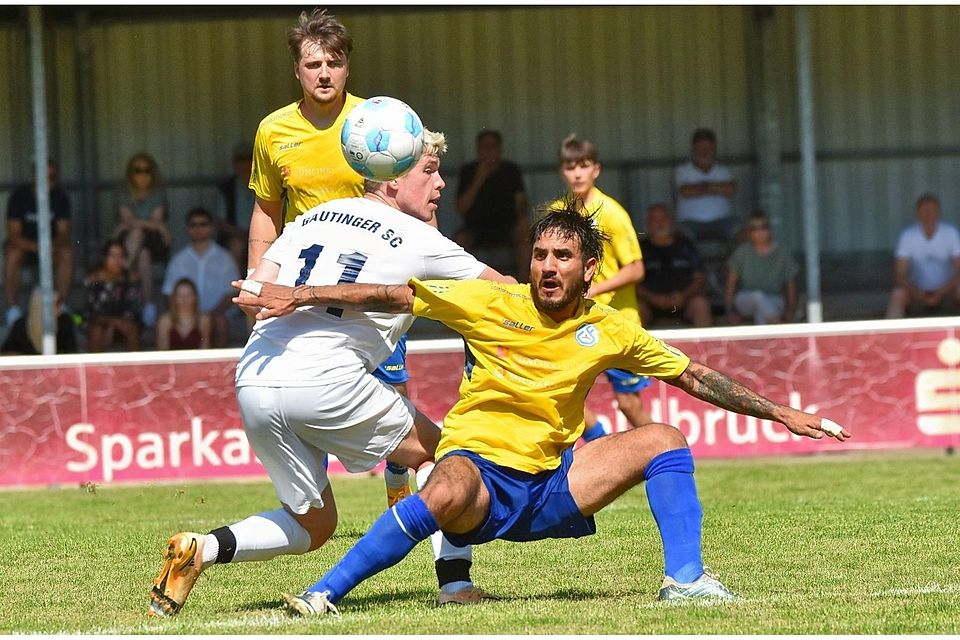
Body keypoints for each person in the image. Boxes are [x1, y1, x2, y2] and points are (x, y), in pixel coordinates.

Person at [232, 204, 851, 616]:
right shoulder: (488, 302)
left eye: (562, 258)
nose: (547, 268)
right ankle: (323, 594)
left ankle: (685, 582)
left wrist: (782, 413)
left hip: (552, 485)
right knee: (446, 479)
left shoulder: (609, 329)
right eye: (540, 256)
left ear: (588, 270)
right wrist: (300, 293)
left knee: (662, 438)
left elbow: (693, 374)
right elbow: (391, 291)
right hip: (478, 482)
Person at [148, 128, 514, 618]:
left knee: (314, 526)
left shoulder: (313, 216)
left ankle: (202, 548)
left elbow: (255, 293)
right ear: (390, 178)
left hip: (255, 377)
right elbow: (506, 291)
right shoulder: (423, 239)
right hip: (325, 379)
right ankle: (456, 584)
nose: (441, 184)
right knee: (447, 458)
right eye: (428, 171)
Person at [241, 9, 420, 512]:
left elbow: (411, 197)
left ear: (347, 67)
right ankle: (314, 512)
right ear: (297, 70)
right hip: (303, 286)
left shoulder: (377, 123)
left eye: (334, 63)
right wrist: (259, 279)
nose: (324, 73)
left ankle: (400, 487)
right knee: (306, 389)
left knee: (393, 387)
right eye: (313, 63)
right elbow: (265, 211)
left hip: (373, 282)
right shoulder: (273, 131)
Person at [551, 133, 650, 442]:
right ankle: (601, 444)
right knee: (559, 392)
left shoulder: (612, 213)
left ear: (596, 170)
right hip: (575, 322)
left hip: (616, 322)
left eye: (584, 165)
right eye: (570, 166)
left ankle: (663, 458)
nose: (577, 173)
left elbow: (636, 268)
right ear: (562, 171)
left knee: (628, 404)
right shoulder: (558, 213)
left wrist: (594, 289)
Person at [3, 159, 74, 327]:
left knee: (67, 253)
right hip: (25, 247)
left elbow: (64, 233)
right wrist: (37, 247)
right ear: (35, 176)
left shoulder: (60, 197)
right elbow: (13, 234)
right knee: (12, 253)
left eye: (53, 176)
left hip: (51, 248)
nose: (49, 180)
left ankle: (60, 306)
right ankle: (12, 310)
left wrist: (51, 246)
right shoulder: (19, 196)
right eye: (45, 176)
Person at [454, 129, 531, 280]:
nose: (489, 152)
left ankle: (524, 283)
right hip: (476, 228)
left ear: (500, 149)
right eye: (485, 147)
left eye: (493, 147)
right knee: (460, 240)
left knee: (526, 233)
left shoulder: (510, 170)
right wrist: (480, 177)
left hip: (507, 225)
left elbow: (521, 202)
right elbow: (461, 208)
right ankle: (468, 287)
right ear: (478, 150)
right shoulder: (468, 171)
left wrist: (522, 219)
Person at [161, 207, 239, 348]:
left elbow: (232, 292)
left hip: (217, 314)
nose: (198, 228)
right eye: (193, 225)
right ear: (188, 229)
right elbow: (169, 293)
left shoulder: (225, 258)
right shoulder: (178, 259)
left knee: (221, 322)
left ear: (211, 228)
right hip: (186, 315)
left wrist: (211, 314)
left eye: (203, 224)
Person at [110, 152, 170, 328]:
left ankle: (123, 274)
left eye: (147, 170)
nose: (142, 174)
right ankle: (149, 305)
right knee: (143, 254)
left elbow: (155, 222)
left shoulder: (158, 191)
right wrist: (149, 224)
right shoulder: (123, 191)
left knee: (137, 233)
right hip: (133, 240)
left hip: (154, 240)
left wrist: (146, 224)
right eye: (137, 170)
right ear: (130, 173)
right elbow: (130, 222)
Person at [636, 203, 712, 328]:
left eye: (663, 219)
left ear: (671, 221)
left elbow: (699, 277)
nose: (660, 223)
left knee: (701, 304)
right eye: (655, 220)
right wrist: (653, 298)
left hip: (684, 301)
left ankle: (707, 347)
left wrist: (684, 295)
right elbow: (633, 282)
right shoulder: (640, 248)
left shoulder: (686, 245)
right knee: (636, 309)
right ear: (648, 223)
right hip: (650, 303)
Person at [885, 194, 960, 319]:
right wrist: (919, 294)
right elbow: (899, 274)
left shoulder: (950, 233)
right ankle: (890, 335)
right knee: (897, 295)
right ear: (917, 213)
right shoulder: (908, 236)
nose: (928, 214)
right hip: (916, 290)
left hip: (947, 289)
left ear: (938, 212)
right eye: (924, 210)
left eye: (932, 210)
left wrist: (941, 292)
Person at [724, 211, 798, 325]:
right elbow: (730, 283)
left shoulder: (782, 253)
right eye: (754, 228)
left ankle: (762, 343)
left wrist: (791, 310)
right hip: (746, 299)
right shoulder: (742, 252)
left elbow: (791, 284)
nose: (760, 231)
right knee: (757, 296)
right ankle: (779, 325)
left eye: (764, 227)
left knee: (762, 312)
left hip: (775, 298)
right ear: (748, 232)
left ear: (770, 229)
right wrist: (730, 311)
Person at [674, 127, 738, 244]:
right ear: (693, 149)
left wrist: (702, 187)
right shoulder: (683, 170)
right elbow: (686, 192)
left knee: (740, 232)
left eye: (708, 148)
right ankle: (692, 263)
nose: (704, 152)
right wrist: (716, 187)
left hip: (722, 221)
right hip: (690, 223)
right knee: (681, 237)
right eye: (700, 148)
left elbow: (731, 190)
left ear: (714, 149)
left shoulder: (723, 170)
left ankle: (733, 263)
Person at [84, 239, 143, 352]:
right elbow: (91, 311)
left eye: (120, 256)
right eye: (112, 256)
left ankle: (134, 368)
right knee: (97, 331)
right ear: (104, 258)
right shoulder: (93, 279)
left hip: (123, 323)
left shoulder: (130, 279)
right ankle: (95, 368)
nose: (116, 260)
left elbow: (134, 308)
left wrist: (114, 325)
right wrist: (112, 323)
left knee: (131, 328)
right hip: (98, 322)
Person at [0, 286, 78, 355]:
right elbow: (7, 355)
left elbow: (70, 356)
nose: (60, 310)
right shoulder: (21, 326)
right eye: (56, 305)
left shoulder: (65, 322)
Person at [216, 142, 256, 271]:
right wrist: (241, 234)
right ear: (234, 163)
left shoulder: (266, 182)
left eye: (249, 158)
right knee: (236, 245)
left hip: (264, 234)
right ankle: (237, 286)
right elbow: (221, 222)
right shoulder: (226, 187)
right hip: (237, 235)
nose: (245, 163)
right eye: (240, 159)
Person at [156, 278, 212, 350]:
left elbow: (205, 350)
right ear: (174, 298)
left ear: (195, 297)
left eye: (188, 295)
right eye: (180, 295)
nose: (184, 299)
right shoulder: (165, 321)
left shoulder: (204, 320)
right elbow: (162, 352)